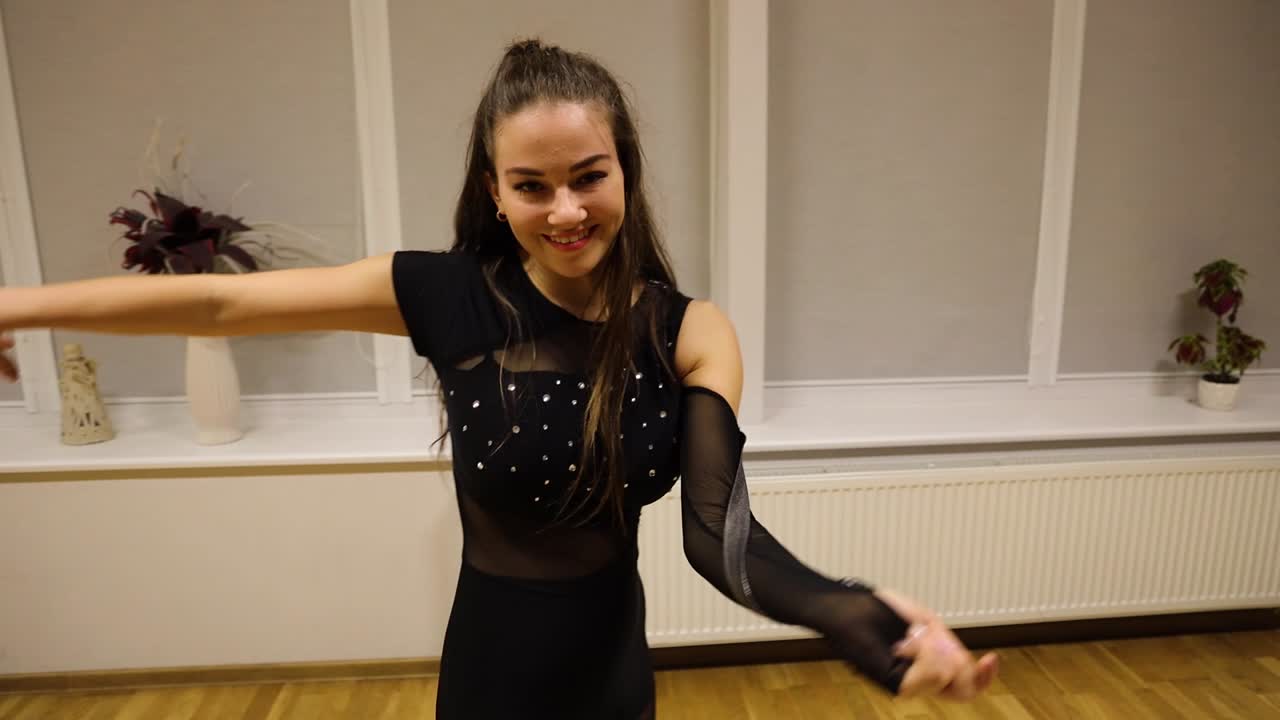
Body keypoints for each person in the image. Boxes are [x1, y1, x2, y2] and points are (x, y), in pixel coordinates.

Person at [0, 39, 998, 719]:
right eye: (531, 185)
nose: (564, 209)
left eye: (587, 176)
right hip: (492, 675)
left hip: (612, 673)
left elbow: (718, 537)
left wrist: (863, 617)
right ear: (494, 188)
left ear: (624, 171)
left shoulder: (688, 333)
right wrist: (14, 306)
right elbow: (219, 306)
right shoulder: (444, 297)